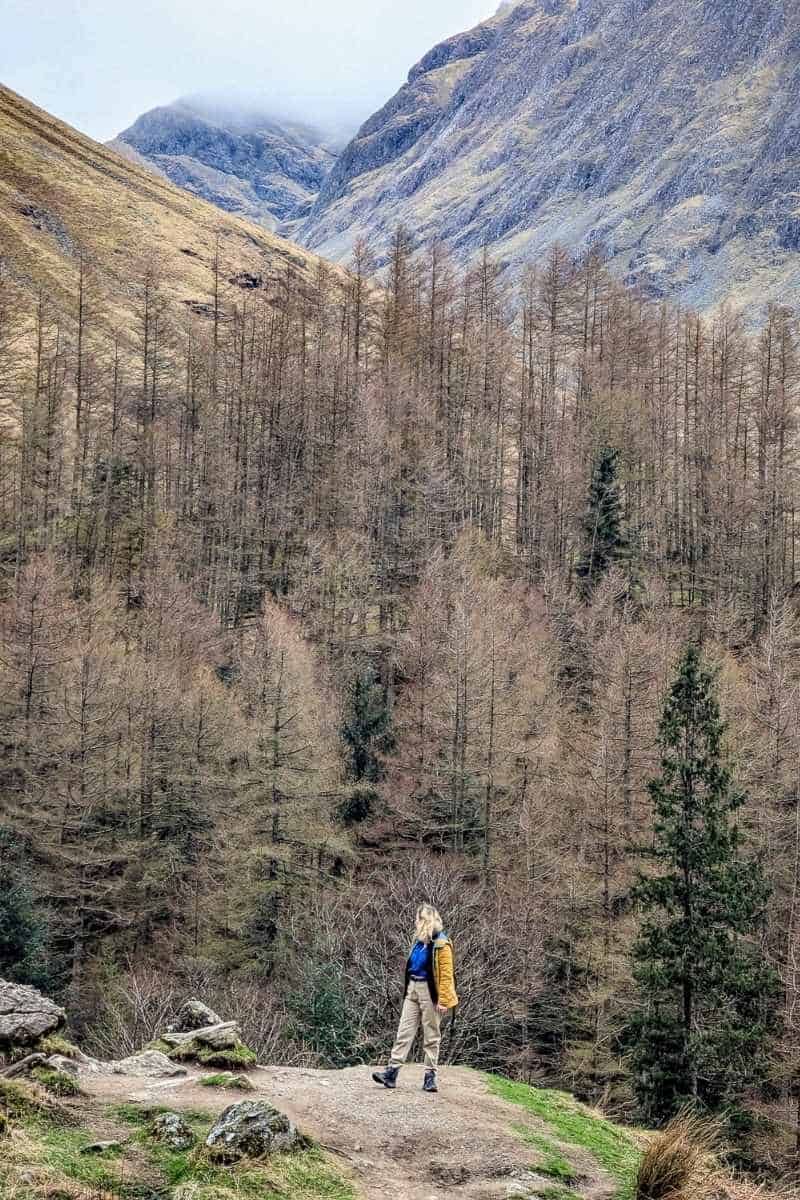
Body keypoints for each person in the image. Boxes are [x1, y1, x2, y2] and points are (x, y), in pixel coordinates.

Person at [372, 903, 458, 1093]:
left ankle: (430, 1076)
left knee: (431, 1036)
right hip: (413, 988)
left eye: (419, 919)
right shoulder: (419, 942)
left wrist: (443, 1000)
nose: (415, 922)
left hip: (430, 992)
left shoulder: (442, 944)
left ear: (426, 921)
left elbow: (446, 974)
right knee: (404, 1032)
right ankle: (391, 1072)